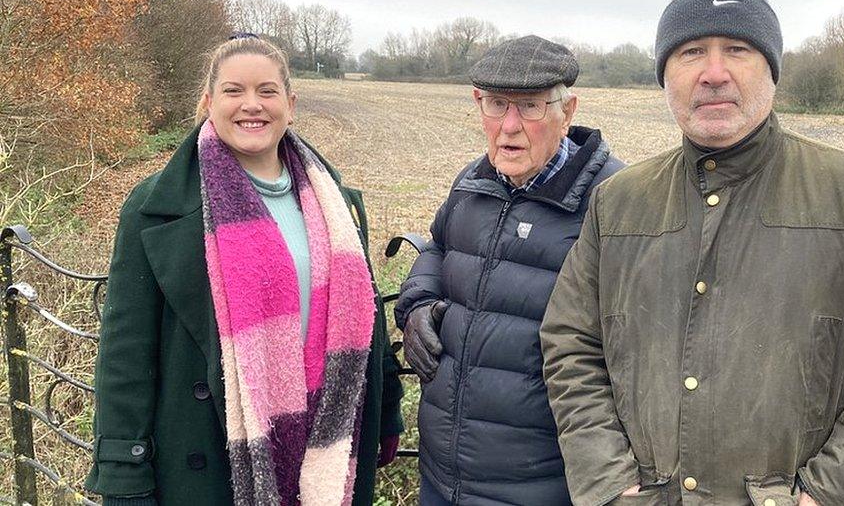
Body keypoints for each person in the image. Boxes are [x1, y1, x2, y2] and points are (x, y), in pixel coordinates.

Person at [540, 0, 844, 506]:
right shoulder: (619, 202)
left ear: (772, 69)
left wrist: (828, 496)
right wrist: (611, 486)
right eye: (691, 52)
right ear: (666, 75)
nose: (713, 72)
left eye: (737, 48)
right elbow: (571, 345)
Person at [85, 35, 404, 506]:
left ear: (290, 105)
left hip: (327, 446)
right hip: (210, 460)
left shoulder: (338, 204)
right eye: (234, 91)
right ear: (210, 101)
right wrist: (122, 473)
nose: (251, 105)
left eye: (267, 91)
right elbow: (125, 355)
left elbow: (365, 319)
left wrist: (387, 409)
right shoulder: (157, 209)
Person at [394, 35, 624, 505]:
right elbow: (439, 247)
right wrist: (417, 303)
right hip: (441, 477)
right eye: (497, 104)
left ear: (568, 110)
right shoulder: (474, 181)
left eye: (530, 107)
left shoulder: (612, 201)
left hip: (539, 487)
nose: (509, 127)